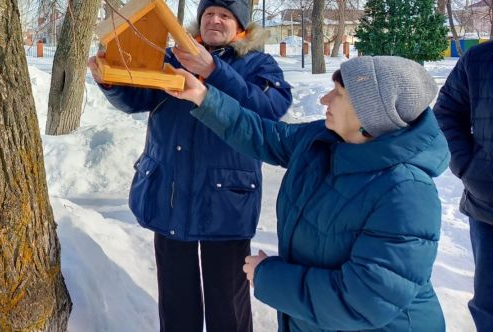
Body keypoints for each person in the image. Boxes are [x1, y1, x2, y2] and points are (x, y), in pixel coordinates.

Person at [168, 55, 449, 331]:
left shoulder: (407, 194)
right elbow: (264, 135)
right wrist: (204, 97)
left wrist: (268, 276)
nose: (325, 99)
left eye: (339, 93)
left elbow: (363, 301)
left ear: (370, 115)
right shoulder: (324, 141)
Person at [88, 0, 292, 332]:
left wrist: (214, 70)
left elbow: (270, 110)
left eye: (225, 15)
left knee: (227, 304)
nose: (214, 20)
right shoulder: (171, 57)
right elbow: (138, 99)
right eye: (209, 12)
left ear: (241, 25)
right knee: (176, 303)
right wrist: (111, 83)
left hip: (226, 202)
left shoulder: (259, 65)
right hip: (170, 194)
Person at [434, 40, 493, 331]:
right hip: (489, 209)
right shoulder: (480, 59)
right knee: (489, 306)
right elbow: (446, 114)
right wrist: (469, 167)